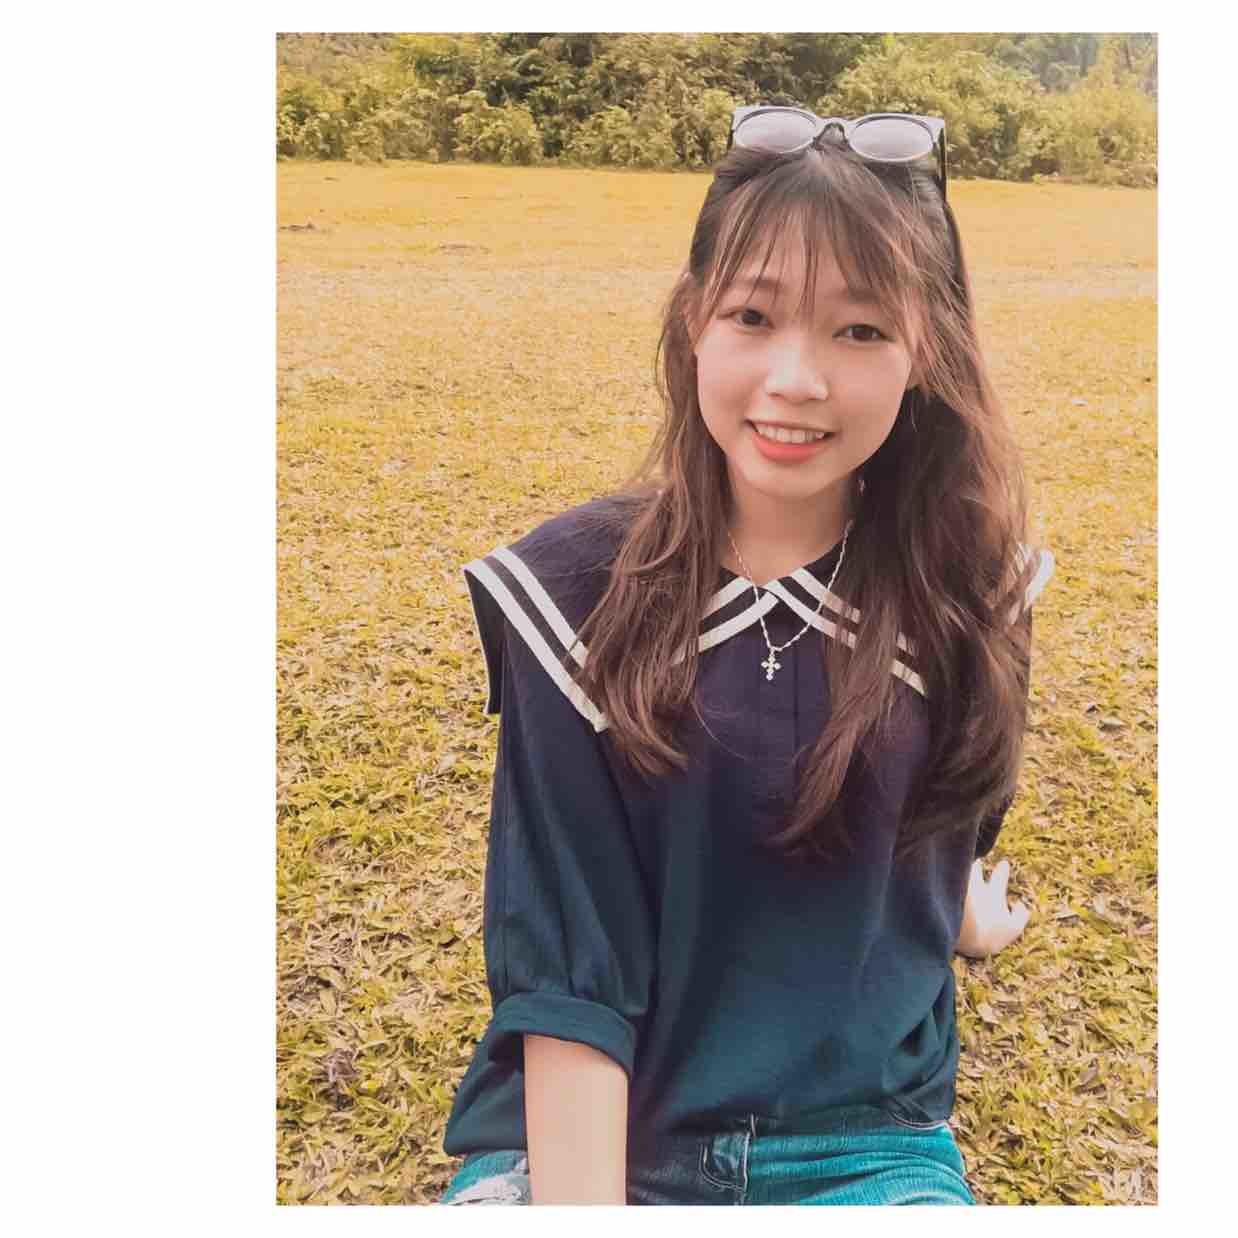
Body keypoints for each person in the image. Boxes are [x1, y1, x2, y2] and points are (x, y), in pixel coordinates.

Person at [435, 108, 1053, 1206]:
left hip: (862, 1151)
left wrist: (956, 910)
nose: (795, 378)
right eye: (753, 316)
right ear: (693, 323)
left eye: (859, 329)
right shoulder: (569, 598)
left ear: (927, 349)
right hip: (586, 1144)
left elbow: (947, 807)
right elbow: (571, 978)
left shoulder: (974, 592)